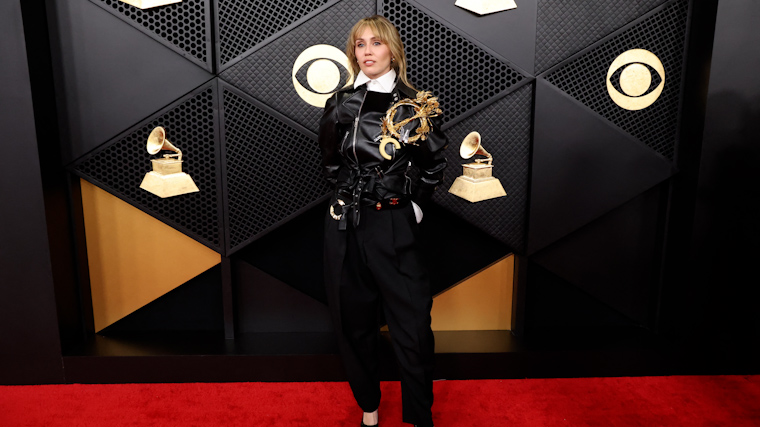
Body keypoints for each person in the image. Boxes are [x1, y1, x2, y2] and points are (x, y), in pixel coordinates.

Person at [318, 15, 448, 427]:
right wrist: (346, 195)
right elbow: (330, 162)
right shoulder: (340, 102)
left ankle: (419, 417)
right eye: (360, 44)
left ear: (392, 50)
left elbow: (433, 166)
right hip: (344, 225)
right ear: (353, 52)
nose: (367, 51)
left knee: (412, 326)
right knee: (353, 322)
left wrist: (413, 207)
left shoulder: (413, 104)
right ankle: (369, 408)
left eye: (376, 42)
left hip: (392, 223)